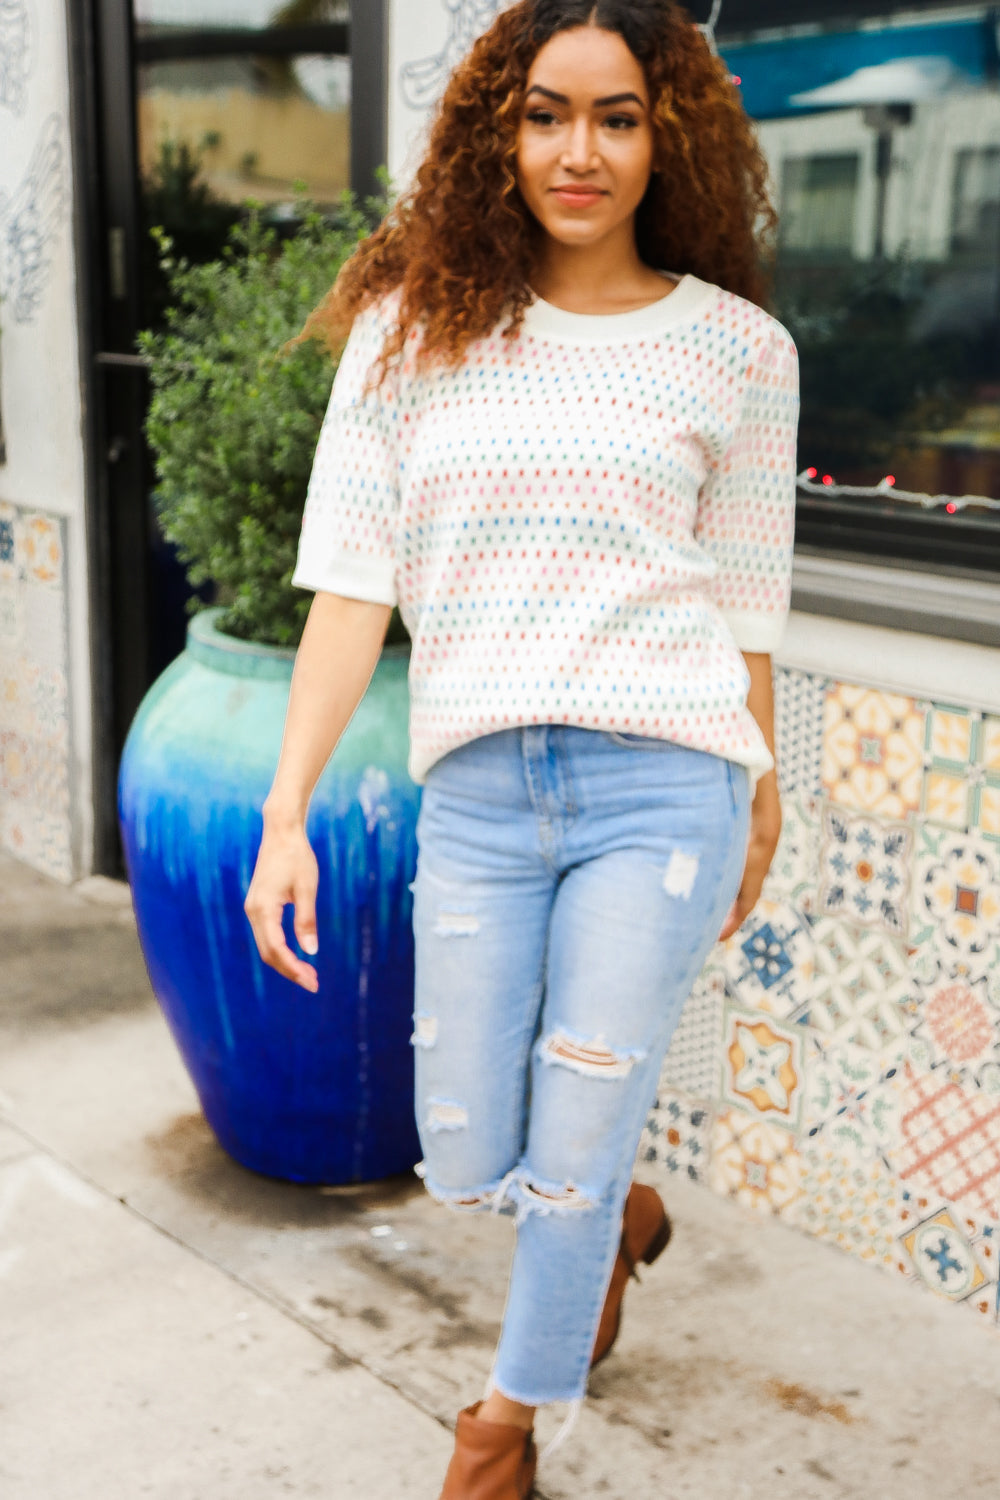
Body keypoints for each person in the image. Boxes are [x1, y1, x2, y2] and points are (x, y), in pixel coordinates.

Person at [245, 2, 800, 1495]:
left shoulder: (739, 351)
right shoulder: (410, 333)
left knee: (580, 1111)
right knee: (473, 1152)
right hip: (483, 790)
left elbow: (745, 599)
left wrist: (762, 783)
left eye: (618, 117)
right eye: (548, 112)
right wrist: (286, 811)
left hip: (664, 786)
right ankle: (608, 1212)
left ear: (664, 136)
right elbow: (353, 591)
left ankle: (502, 1432)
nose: (580, 151)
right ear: (498, 127)